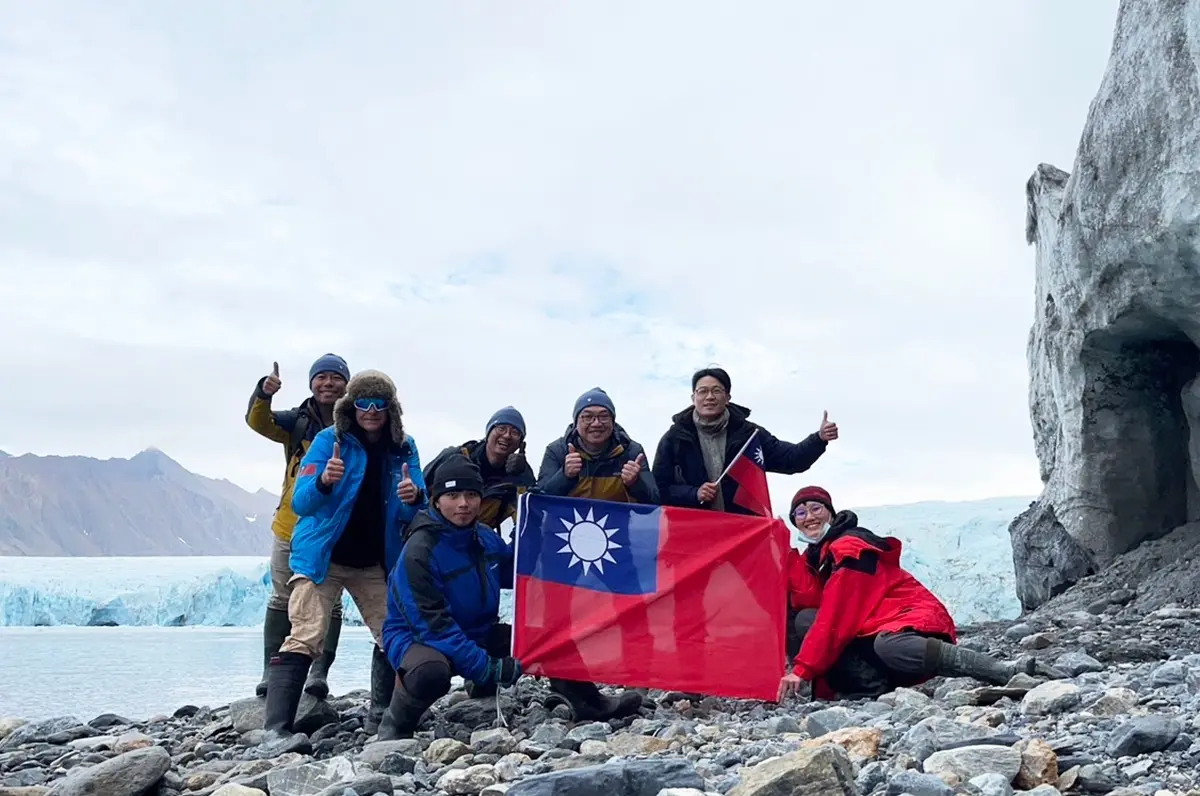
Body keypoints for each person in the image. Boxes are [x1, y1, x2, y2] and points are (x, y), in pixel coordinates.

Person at [255, 369, 426, 757]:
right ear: (351, 406)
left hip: (373, 562)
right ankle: (275, 730)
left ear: (391, 408)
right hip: (324, 557)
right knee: (306, 633)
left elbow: (419, 505)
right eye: (363, 402)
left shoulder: (404, 447)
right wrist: (323, 482)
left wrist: (413, 496)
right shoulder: (327, 441)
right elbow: (301, 503)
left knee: (393, 634)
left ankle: (382, 717)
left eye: (379, 403)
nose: (371, 411)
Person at [778, 486, 1035, 702]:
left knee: (892, 645)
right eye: (800, 513)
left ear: (831, 513)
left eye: (816, 508)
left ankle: (1000, 670)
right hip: (872, 625)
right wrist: (780, 550)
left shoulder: (851, 549)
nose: (809, 517)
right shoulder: (818, 556)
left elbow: (836, 614)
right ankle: (871, 686)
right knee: (806, 619)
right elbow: (809, 600)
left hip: (910, 617)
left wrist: (802, 669)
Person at [376, 455, 523, 738]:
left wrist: (526, 526)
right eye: (452, 495)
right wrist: (488, 667)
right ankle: (395, 724)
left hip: (474, 632)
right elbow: (434, 627)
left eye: (471, 495)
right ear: (436, 500)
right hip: (417, 639)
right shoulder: (420, 550)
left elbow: (514, 572)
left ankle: (585, 702)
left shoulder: (484, 537)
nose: (463, 504)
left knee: (529, 640)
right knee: (430, 672)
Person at [245, 353, 351, 699]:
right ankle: (271, 670)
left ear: (347, 384)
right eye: (321, 377)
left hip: (335, 526)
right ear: (311, 383)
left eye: (336, 377)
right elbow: (259, 422)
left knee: (331, 601)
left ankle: (318, 673)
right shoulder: (298, 422)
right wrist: (264, 393)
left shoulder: (359, 424)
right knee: (281, 597)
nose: (328, 383)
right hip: (292, 523)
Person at [653, 367, 837, 513]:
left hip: (742, 530)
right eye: (703, 391)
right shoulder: (674, 438)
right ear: (693, 397)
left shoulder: (749, 434)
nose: (709, 397)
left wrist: (819, 439)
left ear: (727, 397)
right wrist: (694, 493)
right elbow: (658, 489)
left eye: (716, 391)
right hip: (693, 531)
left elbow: (791, 460)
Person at [421, 406, 535, 533]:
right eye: (501, 428)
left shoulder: (523, 476)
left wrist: (520, 477)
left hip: (477, 536)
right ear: (488, 433)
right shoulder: (454, 456)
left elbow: (527, 521)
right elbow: (421, 487)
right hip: (433, 529)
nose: (507, 435)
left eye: (515, 432)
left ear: (521, 444)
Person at [537, 387, 658, 505]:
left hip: (616, 519)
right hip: (566, 519)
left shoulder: (632, 452)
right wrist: (565, 476)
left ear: (613, 422)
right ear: (576, 423)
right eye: (588, 417)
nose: (596, 423)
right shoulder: (557, 451)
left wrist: (635, 484)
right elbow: (539, 501)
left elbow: (655, 501)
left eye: (604, 417)